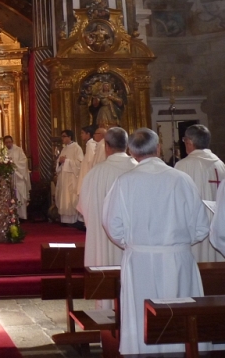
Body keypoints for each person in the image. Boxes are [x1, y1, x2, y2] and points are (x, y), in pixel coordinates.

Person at [102, 128, 209, 356]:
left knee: (142, 316)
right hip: (178, 260)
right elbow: (201, 226)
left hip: (139, 260)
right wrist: (177, 244)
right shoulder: (181, 179)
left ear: (131, 151)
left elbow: (112, 224)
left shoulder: (124, 182)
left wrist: (132, 244)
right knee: (179, 314)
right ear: (158, 148)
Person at [77, 127, 136, 268]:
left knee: (103, 269)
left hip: (101, 239)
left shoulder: (95, 173)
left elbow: (84, 206)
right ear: (127, 145)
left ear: (107, 146)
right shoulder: (137, 169)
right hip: (132, 240)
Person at [175, 124, 225, 262]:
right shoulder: (220, 165)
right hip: (220, 227)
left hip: (195, 227)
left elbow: (177, 201)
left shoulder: (182, 166)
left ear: (189, 142)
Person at [55, 130, 83, 225]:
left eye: (64, 136)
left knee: (71, 197)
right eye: (62, 136)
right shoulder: (64, 149)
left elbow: (80, 163)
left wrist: (66, 161)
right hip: (63, 177)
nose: (62, 138)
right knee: (64, 197)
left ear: (70, 137)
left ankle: (73, 220)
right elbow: (59, 163)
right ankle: (64, 220)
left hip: (72, 177)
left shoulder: (77, 148)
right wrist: (60, 162)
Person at [4, 135, 31, 220]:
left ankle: (21, 216)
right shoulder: (3, 152)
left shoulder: (18, 150)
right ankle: (10, 217)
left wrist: (13, 165)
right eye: (6, 142)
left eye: (9, 142)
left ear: (12, 142)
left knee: (19, 196)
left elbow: (24, 161)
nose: (8, 144)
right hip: (8, 178)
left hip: (18, 177)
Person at [76, 125, 97, 196]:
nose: (80, 135)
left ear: (88, 134)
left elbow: (90, 162)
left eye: (82, 133)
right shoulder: (89, 144)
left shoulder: (90, 145)